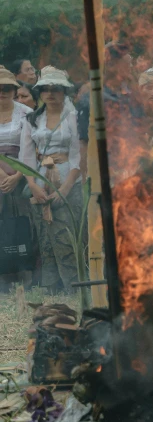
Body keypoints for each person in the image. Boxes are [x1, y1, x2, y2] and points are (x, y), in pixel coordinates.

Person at [19, 67, 83, 294]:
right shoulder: (32, 119)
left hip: (68, 178)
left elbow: (78, 156)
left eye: (55, 89)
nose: (50, 94)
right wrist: (33, 184)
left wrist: (65, 189)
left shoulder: (74, 118)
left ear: (64, 91)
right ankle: (51, 288)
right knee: (45, 236)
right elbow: (26, 156)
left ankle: (74, 288)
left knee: (66, 236)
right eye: (45, 89)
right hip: (40, 177)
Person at [0, 69, 34, 289]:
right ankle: (3, 276)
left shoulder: (26, 114)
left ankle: (27, 273)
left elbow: (30, 148)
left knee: (25, 223)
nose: (2, 92)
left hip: (23, 170)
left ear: (14, 90)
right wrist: (3, 175)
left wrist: (17, 175)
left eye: (6, 89)